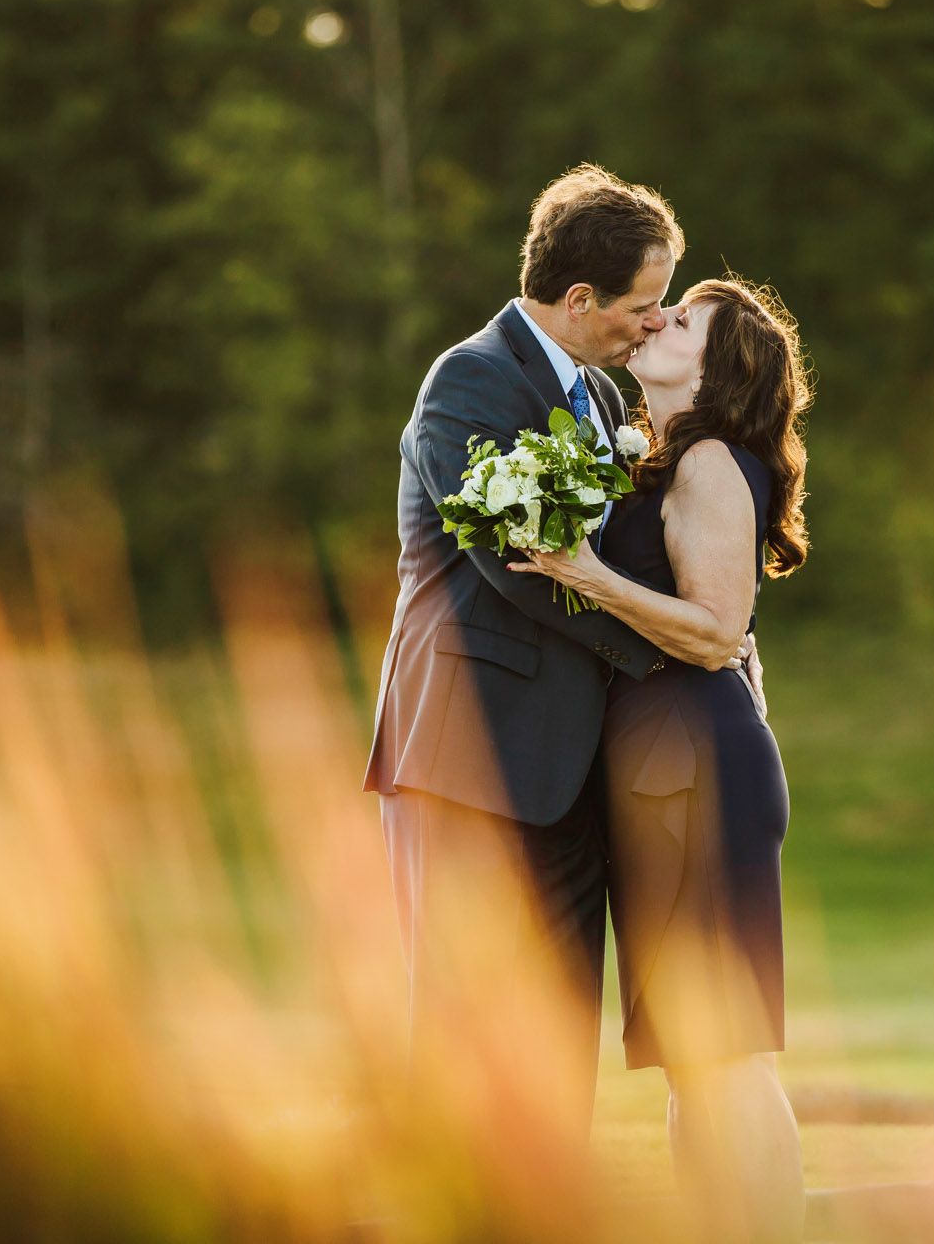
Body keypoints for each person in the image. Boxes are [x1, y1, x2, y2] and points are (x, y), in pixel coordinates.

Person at [364, 164, 748, 1141]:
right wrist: (672, 649)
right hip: (470, 760)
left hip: (571, 769)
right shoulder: (472, 380)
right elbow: (516, 567)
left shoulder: (596, 394)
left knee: (555, 1034)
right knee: (463, 1037)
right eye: (641, 305)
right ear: (579, 300)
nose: (651, 325)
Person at [510, 277, 812, 1244]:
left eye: (683, 320)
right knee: (695, 1057)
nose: (658, 320)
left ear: (720, 366)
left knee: (724, 1056)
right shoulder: (670, 462)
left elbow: (719, 630)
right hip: (668, 774)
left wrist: (589, 576)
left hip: (691, 772)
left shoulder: (716, 460)